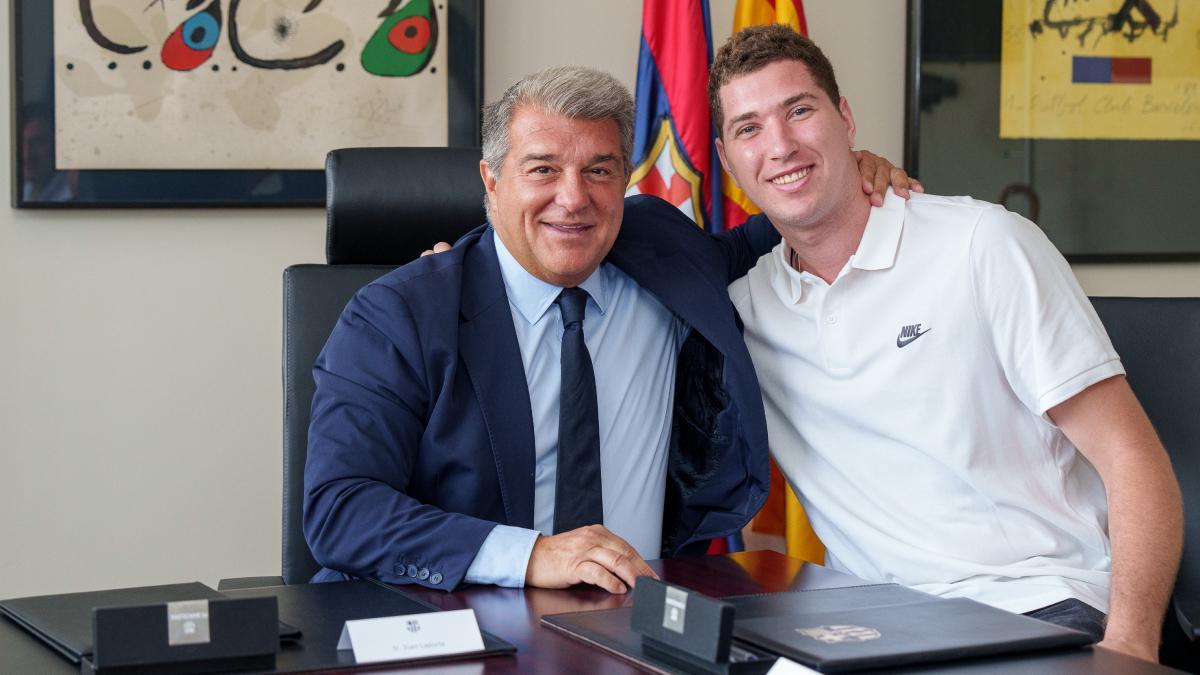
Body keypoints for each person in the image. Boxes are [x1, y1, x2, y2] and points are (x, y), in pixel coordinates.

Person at [303, 65, 914, 594]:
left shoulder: (660, 248)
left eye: (598, 170)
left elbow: (773, 230)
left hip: (639, 613)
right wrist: (532, 556)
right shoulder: (399, 315)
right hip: (460, 619)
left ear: (625, 178)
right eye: (542, 170)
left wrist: (842, 172)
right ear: (491, 180)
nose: (574, 199)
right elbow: (340, 509)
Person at [715, 25, 1183, 661]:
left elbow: (1132, 458)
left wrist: (1130, 647)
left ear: (845, 119)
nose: (780, 145)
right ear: (727, 161)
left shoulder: (983, 245)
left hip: (1036, 603)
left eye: (799, 110)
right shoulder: (745, 308)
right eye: (749, 128)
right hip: (865, 623)